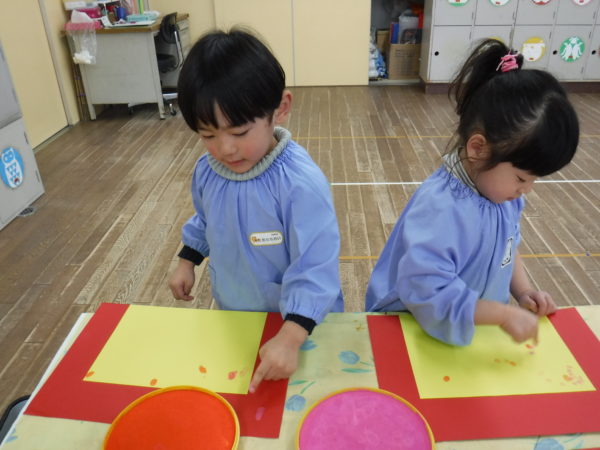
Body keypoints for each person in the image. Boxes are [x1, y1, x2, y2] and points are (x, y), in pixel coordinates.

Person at [366, 39, 579, 346]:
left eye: (534, 180)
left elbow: (509, 246)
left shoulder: (501, 193)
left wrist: (523, 291)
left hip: (469, 325)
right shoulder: (441, 208)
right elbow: (426, 291)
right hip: (410, 326)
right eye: (521, 177)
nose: (526, 190)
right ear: (478, 148)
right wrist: (502, 315)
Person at [168, 28, 343, 392]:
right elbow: (204, 220)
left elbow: (316, 266)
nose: (225, 149)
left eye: (239, 131)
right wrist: (187, 260)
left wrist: (292, 337)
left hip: (298, 325)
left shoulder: (299, 184)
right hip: (236, 317)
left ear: (280, 109)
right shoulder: (208, 171)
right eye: (208, 135)